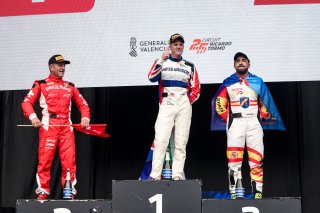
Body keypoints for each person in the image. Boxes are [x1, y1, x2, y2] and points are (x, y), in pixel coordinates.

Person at [211, 52, 285, 199]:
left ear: (249, 64)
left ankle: (257, 192)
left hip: (253, 124)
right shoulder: (228, 82)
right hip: (236, 123)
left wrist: (263, 115)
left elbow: (265, 101)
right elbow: (219, 103)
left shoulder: (257, 81)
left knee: (256, 159)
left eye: (244, 60)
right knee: (234, 160)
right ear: (234, 65)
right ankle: (234, 192)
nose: (241, 63)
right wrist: (229, 118)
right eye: (237, 61)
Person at [21, 54, 91, 200]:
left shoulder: (70, 86)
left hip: (66, 127)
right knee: (45, 161)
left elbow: (83, 104)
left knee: (69, 162)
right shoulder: (41, 84)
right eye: (59, 65)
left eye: (64, 65)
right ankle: (42, 193)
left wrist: (85, 117)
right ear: (51, 67)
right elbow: (26, 102)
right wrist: (33, 118)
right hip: (49, 127)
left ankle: (68, 192)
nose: (62, 67)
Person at [147, 33, 200, 180]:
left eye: (180, 44)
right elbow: (151, 77)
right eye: (175, 44)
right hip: (167, 102)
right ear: (170, 47)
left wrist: (188, 101)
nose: (178, 46)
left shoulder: (190, 66)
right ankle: (155, 175)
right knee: (161, 139)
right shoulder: (162, 62)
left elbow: (196, 88)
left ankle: (177, 175)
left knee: (181, 141)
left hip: (183, 103)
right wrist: (161, 60)